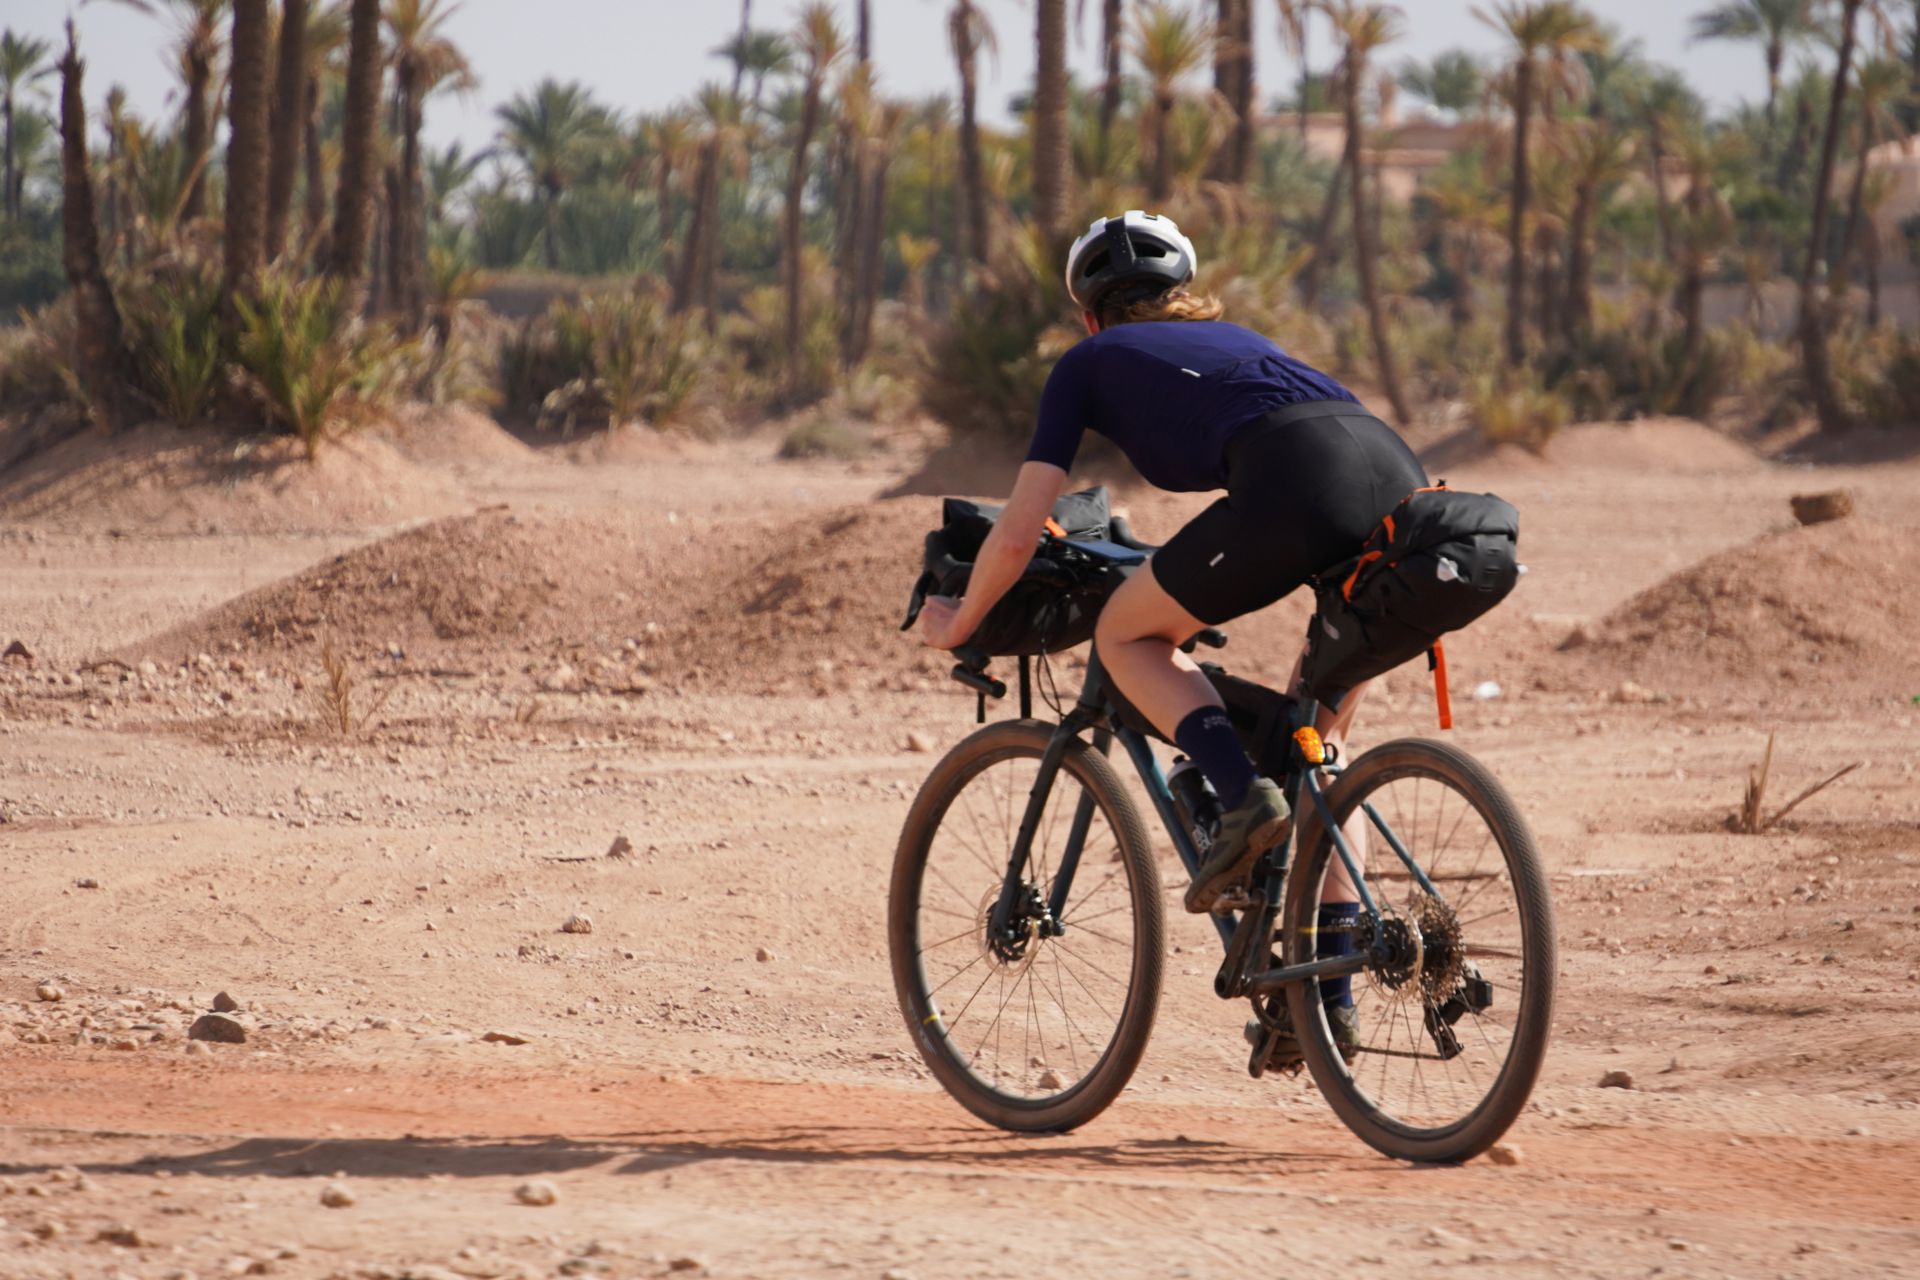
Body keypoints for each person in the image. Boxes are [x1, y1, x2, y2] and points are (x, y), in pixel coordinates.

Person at [914, 212, 1427, 1025]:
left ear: (1089, 314)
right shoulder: (1242, 342)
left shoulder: (1086, 361)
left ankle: (1237, 795)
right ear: (1179, 294)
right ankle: (1325, 1010)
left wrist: (963, 620)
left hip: (1298, 480)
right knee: (1315, 757)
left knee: (1126, 632)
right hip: (1402, 487)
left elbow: (1017, 532)